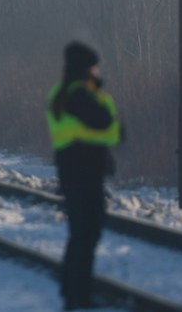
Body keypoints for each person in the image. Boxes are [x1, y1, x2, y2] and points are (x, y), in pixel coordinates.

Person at [46, 41, 122, 311]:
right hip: (85, 171)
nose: (97, 72)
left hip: (72, 169)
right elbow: (104, 121)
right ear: (86, 69)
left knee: (80, 233)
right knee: (87, 234)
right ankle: (79, 295)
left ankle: (72, 290)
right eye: (94, 68)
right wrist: (100, 92)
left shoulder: (61, 92)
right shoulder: (79, 96)